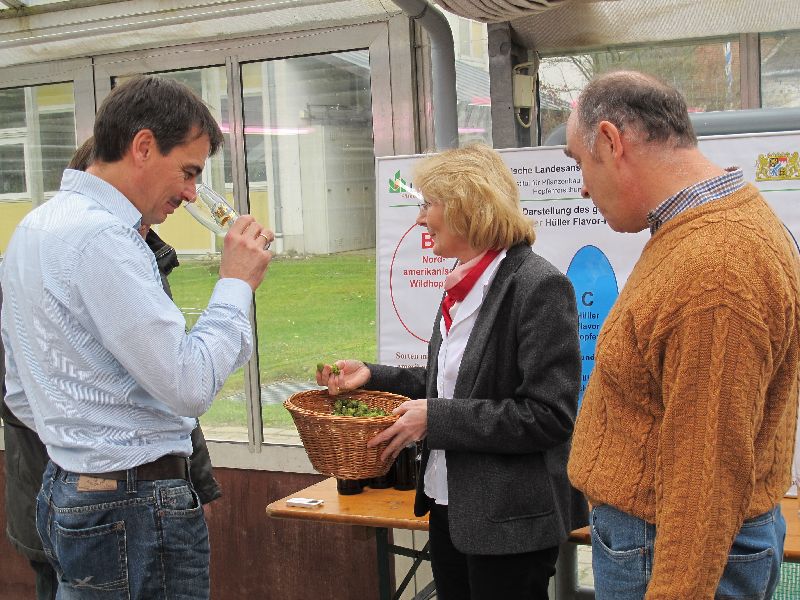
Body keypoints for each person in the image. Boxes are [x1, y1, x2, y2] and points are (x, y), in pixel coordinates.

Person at [0, 75, 273, 599]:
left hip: (70, 489)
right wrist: (236, 284)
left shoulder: (36, 227)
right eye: (188, 172)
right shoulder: (104, 237)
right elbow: (189, 384)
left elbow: (19, 390)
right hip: (130, 504)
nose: (191, 194)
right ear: (143, 146)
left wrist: (83, 444)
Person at [564, 70, 800, 600]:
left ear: (611, 141)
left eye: (579, 161)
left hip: (666, 552)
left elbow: (708, 470)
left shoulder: (715, 266)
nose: (582, 185)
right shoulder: (707, 231)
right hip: (666, 540)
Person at [317, 144, 587, 600]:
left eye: (428, 204)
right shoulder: (463, 282)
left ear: (467, 206)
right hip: (449, 506)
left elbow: (549, 416)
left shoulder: (537, 286)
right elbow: (450, 385)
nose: (420, 218)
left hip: (509, 523)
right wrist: (373, 375)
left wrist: (436, 420)